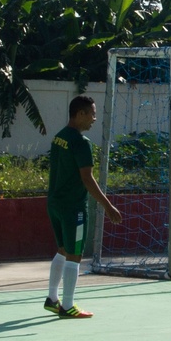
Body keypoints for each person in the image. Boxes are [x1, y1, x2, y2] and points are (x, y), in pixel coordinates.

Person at [44, 95, 123, 319]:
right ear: (80, 114)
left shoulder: (59, 137)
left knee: (62, 250)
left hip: (55, 203)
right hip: (73, 208)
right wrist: (108, 206)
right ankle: (67, 305)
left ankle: (52, 299)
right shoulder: (81, 143)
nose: (94, 118)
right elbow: (87, 178)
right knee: (75, 256)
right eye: (91, 113)